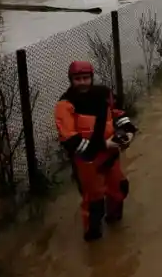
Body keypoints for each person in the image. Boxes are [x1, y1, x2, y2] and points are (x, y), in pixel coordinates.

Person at [54, 60, 138, 242]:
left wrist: (129, 131)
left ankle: (116, 230)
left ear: (91, 78)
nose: (82, 82)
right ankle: (94, 238)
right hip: (87, 163)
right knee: (94, 202)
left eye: (86, 78)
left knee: (120, 189)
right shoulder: (65, 105)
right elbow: (70, 139)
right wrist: (104, 145)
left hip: (111, 157)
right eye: (78, 79)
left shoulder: (103, 94)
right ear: (71, 80)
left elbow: (117, 113)